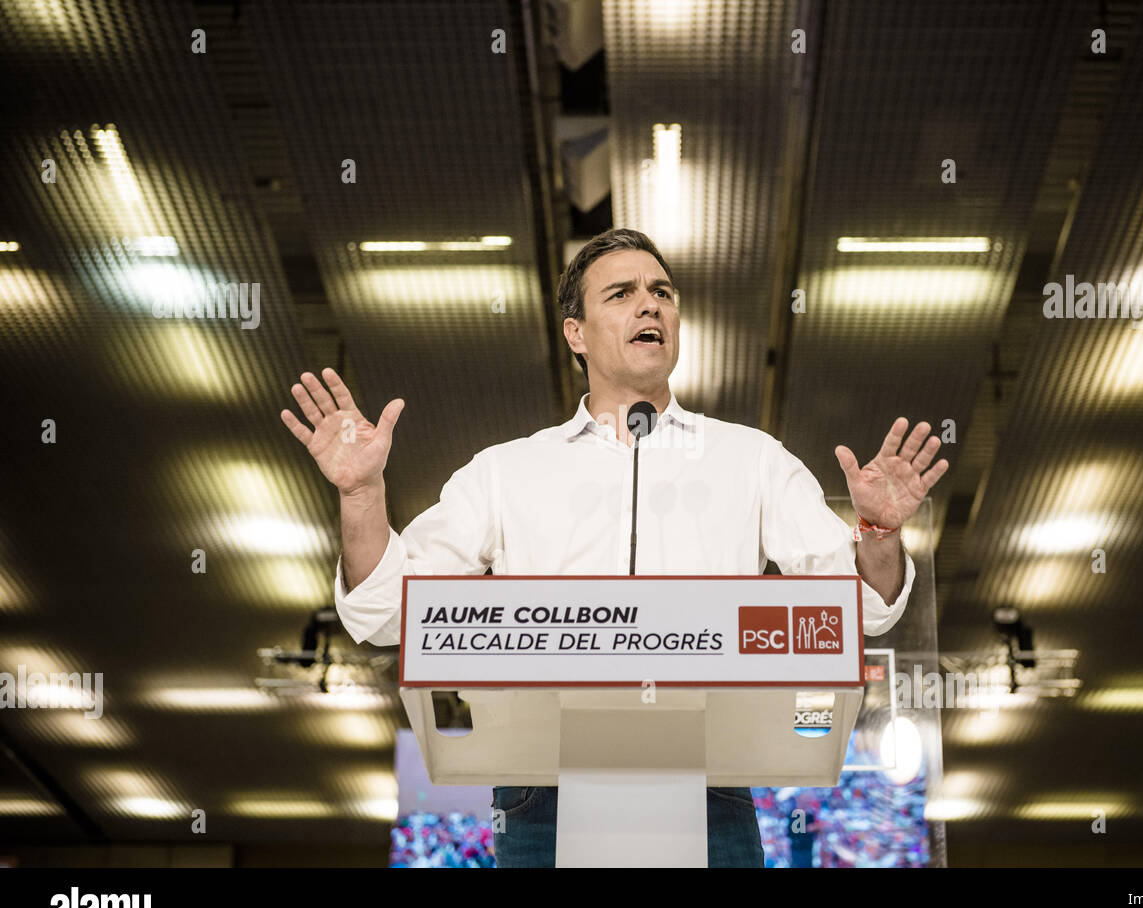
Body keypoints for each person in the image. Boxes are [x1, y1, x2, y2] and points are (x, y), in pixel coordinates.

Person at [279, 227, 949, 867]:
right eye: (621, 293)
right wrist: (363, 493)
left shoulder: (752, 460)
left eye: (662, 291)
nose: (650, 303)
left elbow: (862, 607)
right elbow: (382, 611)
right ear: (576, 332)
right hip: (542, 796)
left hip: (712, 787)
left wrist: (880, 534)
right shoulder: (506, 471)